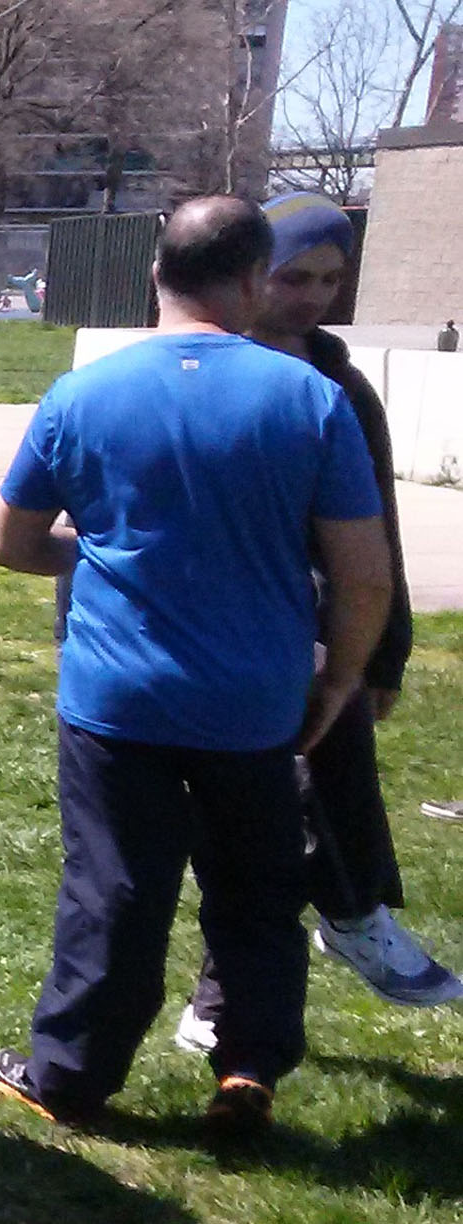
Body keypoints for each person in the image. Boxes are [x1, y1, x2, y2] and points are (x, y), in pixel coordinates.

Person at [0, 197, 393, 1136]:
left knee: (115, 887)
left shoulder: (84, 393)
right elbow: (364, 575)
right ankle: (248, 1064)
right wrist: (340, 680)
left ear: (155, 275)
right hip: (255, 697)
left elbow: (10, 543)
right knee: (258, 889)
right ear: (252, 280)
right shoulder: (310, 399)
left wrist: (98, 553)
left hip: (118, 694)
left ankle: (71, 1074)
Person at [175, 193, 460, 1054]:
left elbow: (378, 539)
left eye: (331, 280)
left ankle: (334, 925)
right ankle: (320, 931)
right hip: (222, 635)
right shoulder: (198, 373)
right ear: (251, 274)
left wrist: (383, 657)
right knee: (262, 814)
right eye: (294, 277)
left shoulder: (344, 388)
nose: (313, 298)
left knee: (317, 783)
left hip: (326, 634)